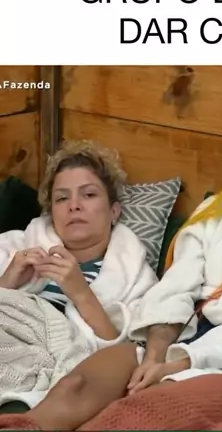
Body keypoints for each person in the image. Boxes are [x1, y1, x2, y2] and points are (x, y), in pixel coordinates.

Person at [12, 103, 222, 430]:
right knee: (75, 386)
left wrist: (180, 363)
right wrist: (155, 356)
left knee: (139, 411)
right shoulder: (218, 214)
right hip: (175, 341)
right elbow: (176, 287)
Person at [0, 140, 157, 408]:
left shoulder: (135, 276)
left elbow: (126, 356)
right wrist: (7, 283)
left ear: (114, 211)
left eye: (89, 195)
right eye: (62, 198)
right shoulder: (14, 247)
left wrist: (81, 292)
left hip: (62, 361)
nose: (74, 205)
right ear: (52, 213)